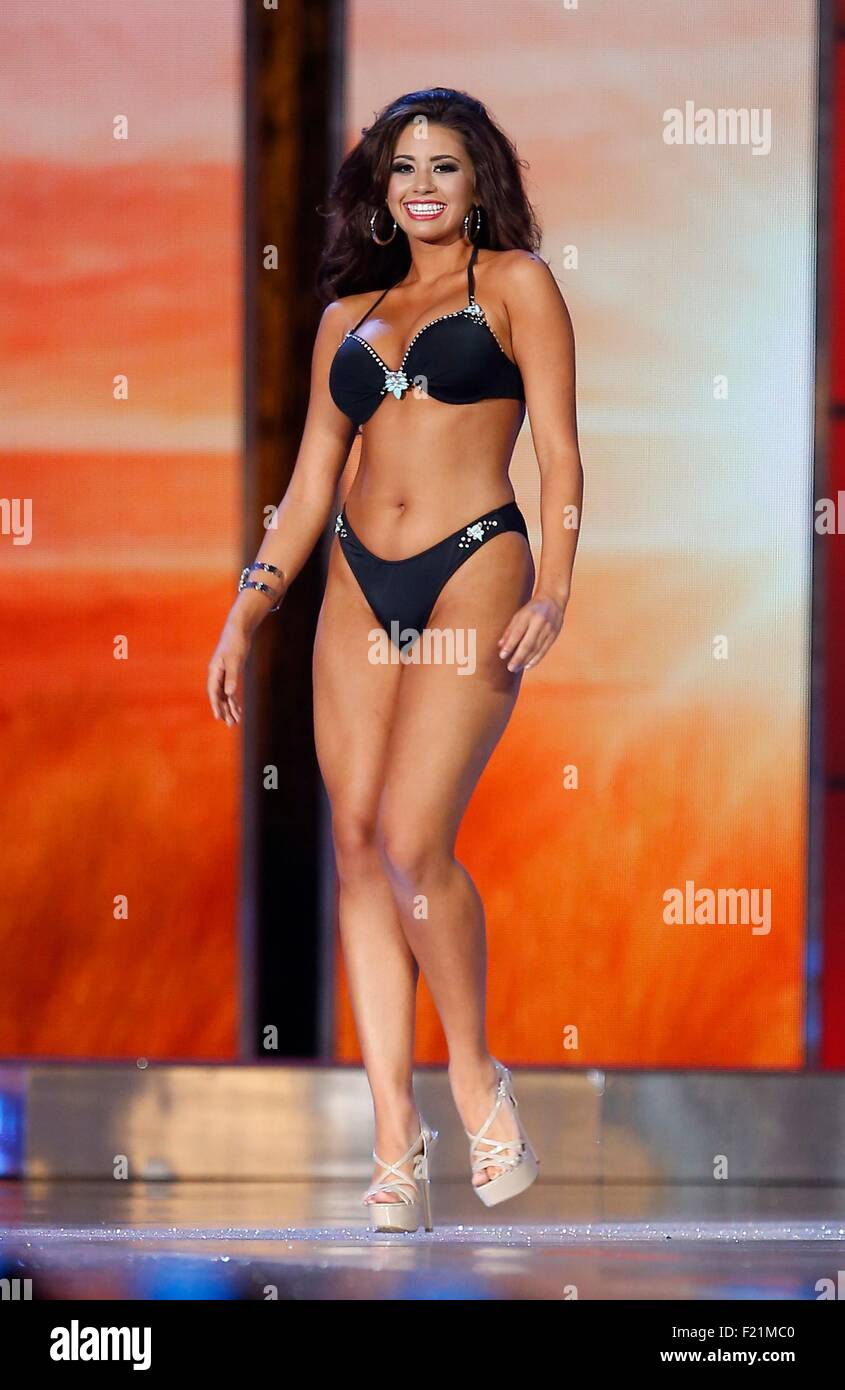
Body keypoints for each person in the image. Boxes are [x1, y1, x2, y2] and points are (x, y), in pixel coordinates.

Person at [207, 87, 583, 1232]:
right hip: (353, 577)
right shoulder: (344, 319)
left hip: (476, 560)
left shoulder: (516, 286)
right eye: (401, 167)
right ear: (380, 188)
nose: (420, 185)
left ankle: (475, 1081)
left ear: (480, 185)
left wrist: (555, 589)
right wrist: (245, 612)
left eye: (445, 167)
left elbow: (560, 458)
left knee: (416, 837)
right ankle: (392, 1140)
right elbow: (310, 483)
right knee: (359, 842)